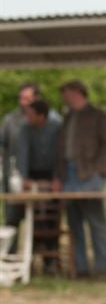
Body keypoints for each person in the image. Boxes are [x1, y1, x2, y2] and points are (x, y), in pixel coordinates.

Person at [53, 80, 106, 277]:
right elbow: (60, 151)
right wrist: (58, 177)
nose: (64, 97)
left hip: (89, 174)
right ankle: (80, 268)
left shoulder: (98, 116)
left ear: (78, 93)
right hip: (69, 174)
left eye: (67, 93)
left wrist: (97, 171)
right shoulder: (68, 117)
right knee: (74, 223)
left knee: (96, 222)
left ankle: (104, 267)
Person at [16, 99, 62, 273]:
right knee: (34, 218)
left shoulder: (56, 128)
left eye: (31, 115)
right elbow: (22, 153)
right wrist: (24, 177)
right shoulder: (25, 129)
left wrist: (58, 177)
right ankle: (33, 258)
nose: (28, 118)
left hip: (52, 176)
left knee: (52, 218)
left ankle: (51, 259)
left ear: (41, 115)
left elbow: (60, 153)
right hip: (33, 175)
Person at [1, 82, 41, 250]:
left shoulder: (45, 119)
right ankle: (10, 257)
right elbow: (2, 145)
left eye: (28, 98)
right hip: (13, 179)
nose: (23, 102)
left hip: (37, 179)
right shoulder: (10, 120)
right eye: (21, 98)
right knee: (12, 220)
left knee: (40, 222)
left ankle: (41, 262)